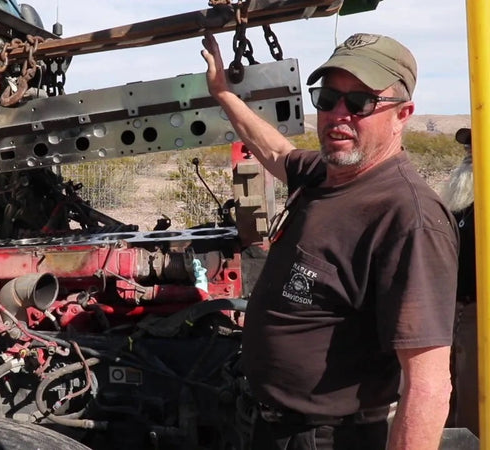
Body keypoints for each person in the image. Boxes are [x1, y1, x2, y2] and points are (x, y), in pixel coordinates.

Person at [201, 32, 458, 449]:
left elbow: (428, 387)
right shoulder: (325, 174)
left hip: (331, 439)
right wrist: (223, 95)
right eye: (328, 98)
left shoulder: (408, 218)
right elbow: (274, 150)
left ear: (403, 114)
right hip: (272, 426)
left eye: (360, 103)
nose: (339, 113)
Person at [441, 127, 478, 436]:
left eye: (476, 145)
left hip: (481, 316)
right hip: (451, 310)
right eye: (468, 146)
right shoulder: (461, 202)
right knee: (445, 396)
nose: (468, 152)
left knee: (474, 400)